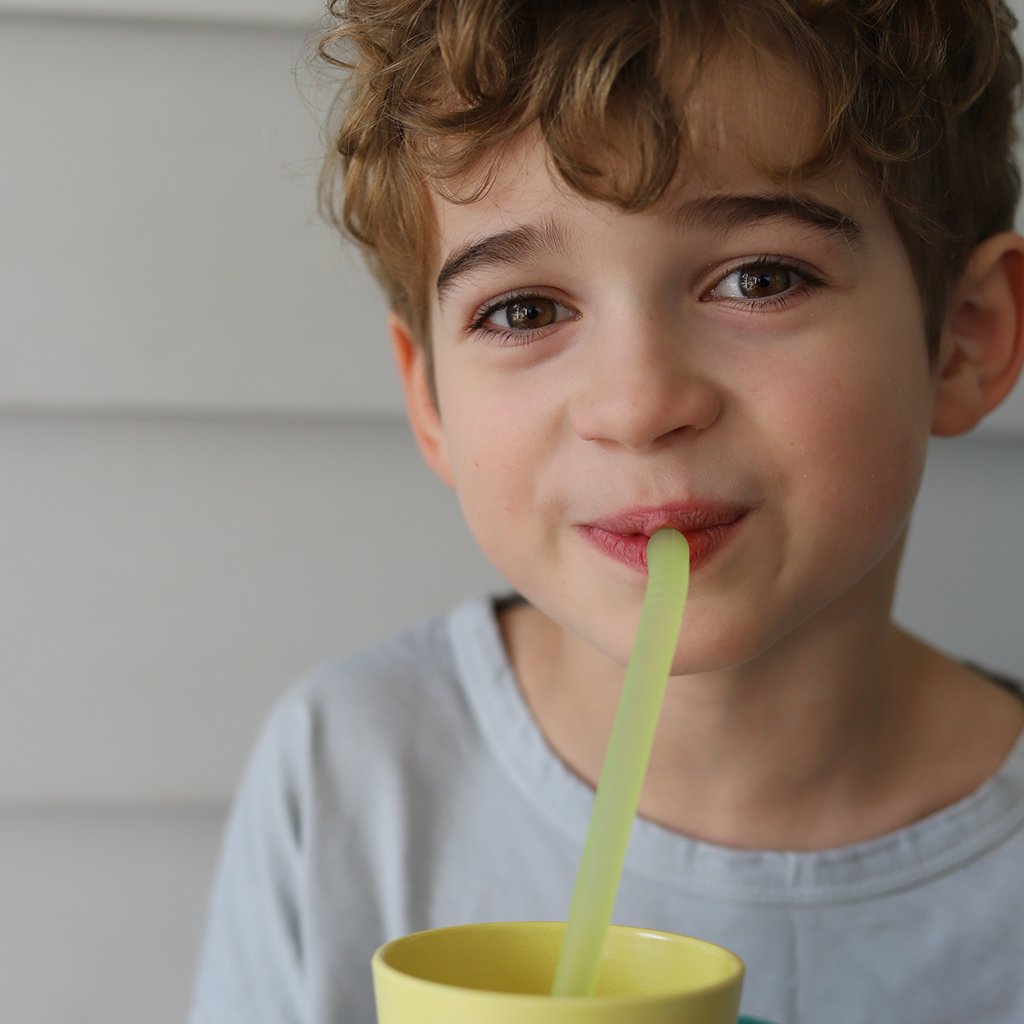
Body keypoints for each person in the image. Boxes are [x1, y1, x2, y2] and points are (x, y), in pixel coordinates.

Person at [189, 2, 1024, 1022]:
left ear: (968, 338)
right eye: (525, 310)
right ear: (431, 400)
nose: (637, 405)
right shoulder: (351, 777)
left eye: (758, 279)